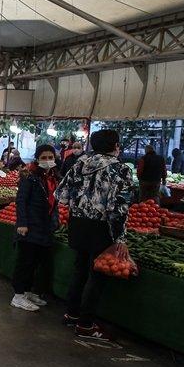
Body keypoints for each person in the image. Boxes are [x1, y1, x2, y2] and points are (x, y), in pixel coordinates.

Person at [55, 129, 132, 339]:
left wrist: (80, 204)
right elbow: (119, 207)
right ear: (116, 146)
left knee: (79, 268)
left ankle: (71, 314)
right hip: (102, 226)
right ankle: (86, 323)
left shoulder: (79, 164)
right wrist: (120, 238)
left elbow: (60, 195)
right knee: (96, 274)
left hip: (77, 224)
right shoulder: (120, 169)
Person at [10, 145, 61, 311]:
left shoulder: (53, 177)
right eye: (44, 158)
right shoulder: (29, 177)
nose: (47, 161)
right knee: (25, 261)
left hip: (44, 226)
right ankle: (18, 295)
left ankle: (27, 291)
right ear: (37, 159)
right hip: (30, 225)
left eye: (50, 157)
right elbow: (21, 201)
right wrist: (22, 223)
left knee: (37, 262)